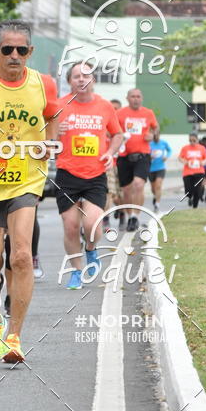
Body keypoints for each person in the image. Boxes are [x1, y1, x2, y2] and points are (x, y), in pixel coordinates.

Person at [0, 20, 58, 362]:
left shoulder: (43, 84)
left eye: (21, 50)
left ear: (30, 52)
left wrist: (50, 142)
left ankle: (14, 337)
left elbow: (52, 115)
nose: (14, 56)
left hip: (26, 179)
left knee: (21, 255)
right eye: (7, 49)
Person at [55, 62, 123, 290]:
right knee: (71, 226)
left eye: (86, 76)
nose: (81, 80)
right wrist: (54, 132)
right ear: (69, 81)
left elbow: (117, 134)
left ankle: (91, 251)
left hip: (95, 174)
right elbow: (43, 136)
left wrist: (110, 152)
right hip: (67, 173)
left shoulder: (104, 106)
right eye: (76, 76)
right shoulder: (59, 106)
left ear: (93, 80)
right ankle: (76, 271)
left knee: (93, 225)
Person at [116, 88, 158, 232]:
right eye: (133, 96)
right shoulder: (119, 113)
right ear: (127, 98)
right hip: (123, 156)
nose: (136, 99)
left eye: (138, 96)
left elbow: (156, 129)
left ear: (142, 98)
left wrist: (152, 135)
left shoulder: (148, 113)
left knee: (138, 184)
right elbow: (111, 130)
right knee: (126, 190)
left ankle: (136, 217)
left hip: (143, 155)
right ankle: (129, 217)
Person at [179, 133, 206, 208]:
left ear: (197, 140)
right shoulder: (185, 148)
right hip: (187, 173)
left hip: (199, 172)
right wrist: (184, 161)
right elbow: (180, 157)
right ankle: (189, 197)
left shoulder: (202, 148)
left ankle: (195, 207)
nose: (192, 142)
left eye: (194, 140)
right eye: (190, 140)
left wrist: (203, 162)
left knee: (197, 190)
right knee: (188, 190)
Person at [148, 129, 172, 213]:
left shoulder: (163, 143)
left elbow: (170, 150)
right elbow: (145, 153)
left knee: (158, 185)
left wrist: (166, 156)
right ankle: (155, 196)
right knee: (153, 188)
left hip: (161, 168)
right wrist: (149, 157)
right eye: (154, 136)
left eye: (156, 135)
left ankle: (157, 205)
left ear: (159, 135)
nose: (155, 137)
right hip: (150, 168)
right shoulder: (149, 144)